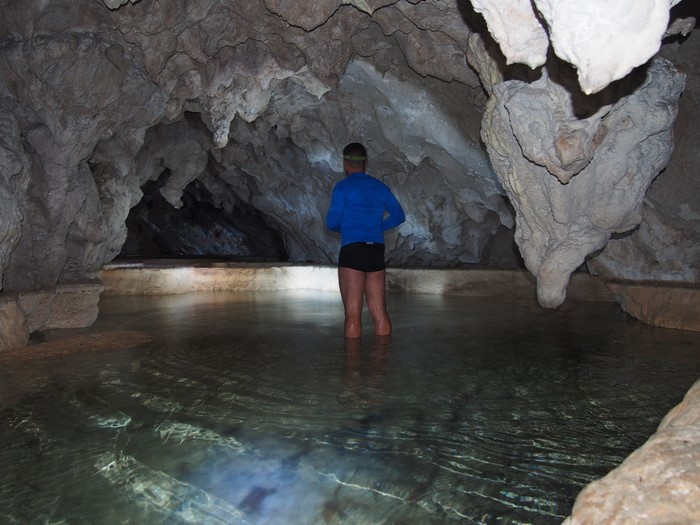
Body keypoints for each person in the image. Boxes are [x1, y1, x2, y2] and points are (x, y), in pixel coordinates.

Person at [326, 142, 405, 338]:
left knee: (352, 315)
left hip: (353, 249)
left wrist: (347, 228)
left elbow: (331, 222)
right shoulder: (380, 188)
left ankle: (352, 359)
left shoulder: (343, 188)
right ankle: (383, 356)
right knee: (380, 313)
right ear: (366, 163)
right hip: (375, 250)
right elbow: (398, 216)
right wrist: (377, 227)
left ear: (345, 164)